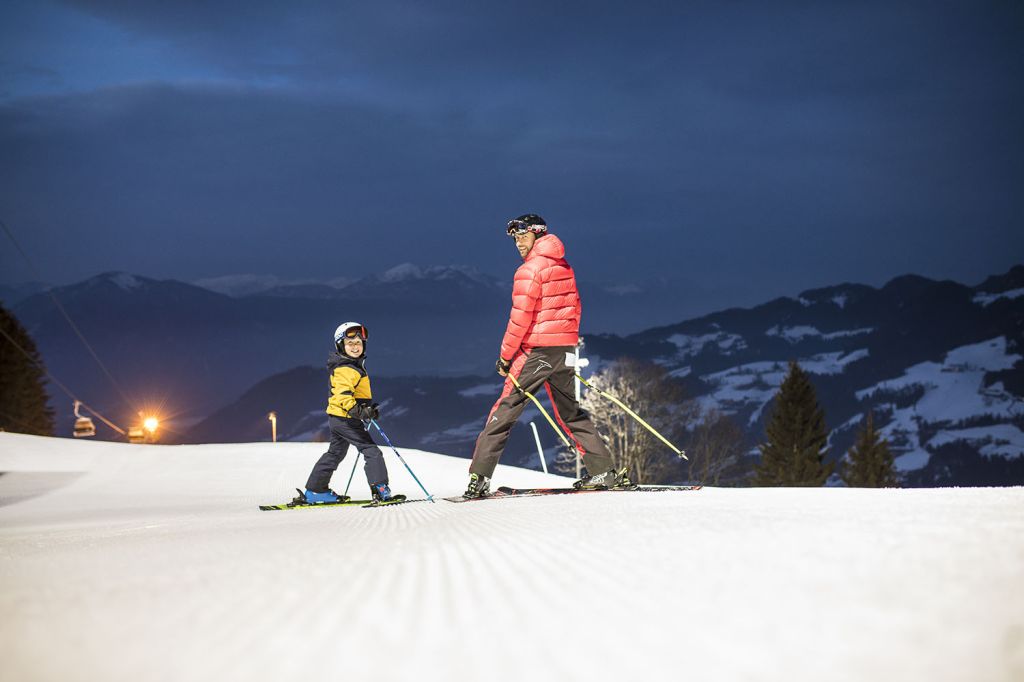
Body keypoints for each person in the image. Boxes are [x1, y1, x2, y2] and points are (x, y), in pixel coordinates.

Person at [464, 214, 627, 498]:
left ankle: (479, 477)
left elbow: (520, 319)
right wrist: (567, 343)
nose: (517, 242)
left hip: (536, 352)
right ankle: (603, 471)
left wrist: (505, 357)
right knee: (570, 412)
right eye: (514, 238)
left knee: (504, 411)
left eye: (522, 236)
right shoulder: (564, 266)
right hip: (564, 350)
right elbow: (575, 307)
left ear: (538, 235)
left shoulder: (529, 270)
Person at [298, 321, 402, 504]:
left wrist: (366, 409)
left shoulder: (351, 365)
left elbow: (352, 395)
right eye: (350, 343)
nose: (355, 347)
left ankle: (316, 491)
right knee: (371, 450)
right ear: (340, 345)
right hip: (346, 419)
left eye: (359, 343)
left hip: (339, 418)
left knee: (335, 453)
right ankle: (380, 489)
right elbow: (342, 396)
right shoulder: (346, 368)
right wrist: (359, 411)